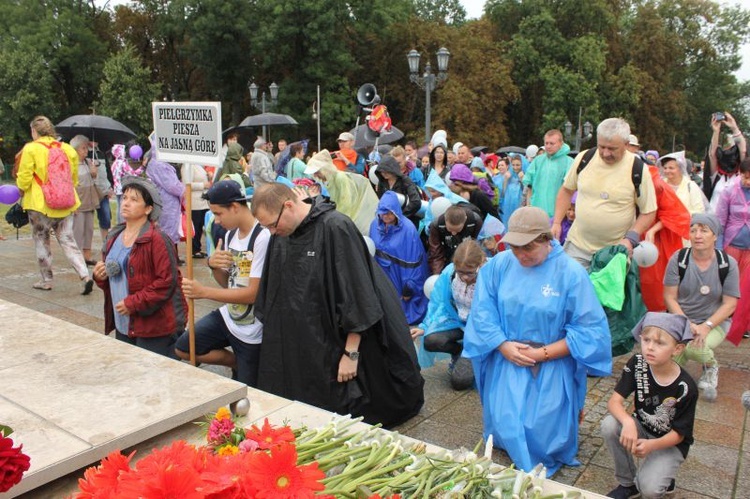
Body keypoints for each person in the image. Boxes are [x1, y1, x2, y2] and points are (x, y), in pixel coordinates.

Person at [251, 183, 425, 428]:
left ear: (288, 206)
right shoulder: (282, 235)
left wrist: (351, 353)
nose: (271, 231)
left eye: (271, 224)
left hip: (339, 341)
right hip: (304, 343)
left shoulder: (335, 227)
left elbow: (358, 295)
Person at [463, 207, 611, 475]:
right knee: (506, 424)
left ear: (547, 239)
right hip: (507, 356)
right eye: (514, 247)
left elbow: (589, 331)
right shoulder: (499, 265)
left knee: (545, 439)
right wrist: (502, 345)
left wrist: (541, 353)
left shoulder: (570, 273)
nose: (520, 255)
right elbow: (483, 311)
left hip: (550, 363)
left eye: (528, 247)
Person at [175, 180, 270, 386]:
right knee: (184, 346)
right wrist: (213, 265)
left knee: (248, 395)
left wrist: (203, 292)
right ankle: (236, 362)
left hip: (253, 329)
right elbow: (227, 284)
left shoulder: (263, 236)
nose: (216, 221)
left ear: (234, 207)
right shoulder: (230, 235)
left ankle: (245, 366)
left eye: (218, 214)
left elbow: (252, 294)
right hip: (230, 315)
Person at [601, 312, 697, 499]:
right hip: (642, 426)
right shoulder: (638, 363)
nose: (650, 348)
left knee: (650, 490)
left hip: (669, 442)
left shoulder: (685, 387)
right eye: (646, 340)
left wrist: (652, 445)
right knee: (609, 425)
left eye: (660, 343)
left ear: (677, 349)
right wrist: (628, 422)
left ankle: (663, 476)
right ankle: (628, 484)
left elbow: (679, 434)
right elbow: (614, 401)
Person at [93, 176, 187, 357]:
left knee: (153, 377)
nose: (126, 203)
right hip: (124, 323)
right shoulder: (114, 235)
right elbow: (114, 277)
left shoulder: (157, 239)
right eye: (125, 197)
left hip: (153, 328)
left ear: (148, 209)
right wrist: (100, 276)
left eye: (134, 200)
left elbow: (167, 282)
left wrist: (132, 303)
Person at [553, 118, 657, 270]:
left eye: (612, 148)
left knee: (604, 295)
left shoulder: (638, 169)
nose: (605, 153)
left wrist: (630, 238)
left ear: (627, 145)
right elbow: (567, 190)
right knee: (571, 291)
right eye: (601, 147)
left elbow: (649, 211)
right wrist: (556, 222)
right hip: (577, 247)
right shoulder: (584, 158)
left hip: (613, 253)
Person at [16, 116, 94, 294]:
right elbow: (73, 178)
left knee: (42, 240)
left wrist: (21, 189)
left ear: (34, 131)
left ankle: (47, 280)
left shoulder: (31, 149)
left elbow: (25, 177)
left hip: (39, 203)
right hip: (65, 202)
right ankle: (85, 275)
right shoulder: (67, 149)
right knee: (68, 240)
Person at [664, 213, 740, 396]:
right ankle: (673, 368)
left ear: (715, 236)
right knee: (666, 362)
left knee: (693, 348)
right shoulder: (679, 259)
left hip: (714, 322)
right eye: (693, 230)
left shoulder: (727, 264)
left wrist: (706, 326)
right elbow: (669, 297)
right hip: (680, 319)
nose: (697, 235)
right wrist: (686, 323)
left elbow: (730, 304)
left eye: (704, 230)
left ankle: (711, 366)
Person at [411, 239, 486, 391]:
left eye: (470, 273)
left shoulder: (490, 276)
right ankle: (458, 351)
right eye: (461, 272)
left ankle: (479, 358)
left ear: (480, 264)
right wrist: (425, 326)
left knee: (460, 382)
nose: (464, 277)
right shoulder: (450, 273)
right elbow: (437, 302)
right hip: (457, 322)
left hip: (480, 331)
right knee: (431, 340)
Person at [369, 191, 429, 327]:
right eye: (382, 212)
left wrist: (409, 289)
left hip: (402, 280)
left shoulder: (408, 230)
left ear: (396, 211)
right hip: (383, 279)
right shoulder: (374, 225)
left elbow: (414, 263)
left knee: (399, 317)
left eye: (389, 212)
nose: (385, 216)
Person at [639, 156, 691, 312]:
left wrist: (653, 229)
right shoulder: (639, 180)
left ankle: (660, 314)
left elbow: (677, 213)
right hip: (641, 234)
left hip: (659, 240)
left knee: (657, 279)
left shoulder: (657, 185)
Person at [304, 150, 379, 234]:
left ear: (324, 169)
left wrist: (337, 223)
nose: (315, 175)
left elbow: (346, 204)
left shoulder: (340, 178)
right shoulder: (328, 181)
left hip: (350, 221)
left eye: (317, 172)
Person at [716, 158, 750, 341]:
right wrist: (719, 249)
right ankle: (723, 320)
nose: (748, 181)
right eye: (745, 177)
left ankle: (742, 325)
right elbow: (720, 221)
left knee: (747, 288)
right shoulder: (729, 190)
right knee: (729, 285)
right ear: (740, 173)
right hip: (732, 244)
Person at [522, 129, 573, 217]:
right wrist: (528, 207)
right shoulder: (538, 161)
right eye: (546, 143)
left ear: (561, 144)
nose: (548, 146)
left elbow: (570, 190)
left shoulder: (569, 162)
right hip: (536, 212)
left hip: (559, 214)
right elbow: (529, 186)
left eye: (552, 143)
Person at [145, 150, 185, 250]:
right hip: (167, 205)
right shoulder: (160, 165)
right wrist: (184, 189)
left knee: (166, 233)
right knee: (167, 235)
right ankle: (169, 260)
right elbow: (172, 186)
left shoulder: (156, 163)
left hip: (165, 203)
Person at [427, 204, 483, 275]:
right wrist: (437, 275)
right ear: (445, 219)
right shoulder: (436, 225)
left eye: (458, 230)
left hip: (469, 259)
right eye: (450, 229)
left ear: (465, 220)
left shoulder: (476, 221)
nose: (453, 233)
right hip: (446, 257)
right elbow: (435, 253)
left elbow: (480, 247)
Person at [706, 112, 745, 212]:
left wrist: (734, 127)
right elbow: (712, 154)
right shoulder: (717, 176)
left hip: (734, 222)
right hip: (714, 220)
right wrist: (716, 131)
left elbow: (743, 150)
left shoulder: (741, 176)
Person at [70, 135, 99, 266]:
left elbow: (93, 180)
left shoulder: (88, 162)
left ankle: (87, 256)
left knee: (89, 231)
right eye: (83, 148)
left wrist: (94, 173)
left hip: (90, 202)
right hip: (78, 204)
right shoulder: (71, 164)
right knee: (78, 231)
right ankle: (76, 258)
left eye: (86, 148)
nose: (86, 151)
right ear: (75, 149)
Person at [374, 155, 422, 228]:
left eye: (386, 171)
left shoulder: (405, 181)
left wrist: (400, 215)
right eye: (381, 171)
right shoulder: (382, 183)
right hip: (388, 221)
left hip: (407, 220)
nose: (384, 173)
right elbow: (381, 201)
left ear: (392, 169)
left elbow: (416, 202)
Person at [181, 163, 211, 258]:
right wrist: (203, 185)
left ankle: (198, 248)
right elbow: (187, 184)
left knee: (200, 227)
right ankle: (194, 250)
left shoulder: (199, 165)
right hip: (194, 203)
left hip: (203, 202)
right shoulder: (187, 165)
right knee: (195, 227)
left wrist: (209, 177)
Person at [497, 154, 525, 227]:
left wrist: (522, 180)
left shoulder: (525, 174)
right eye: (513, 165)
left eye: (518, 165)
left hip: (521, 203)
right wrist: (506, 180)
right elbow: (502, 192)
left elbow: (527, 190)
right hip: (508, 204)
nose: (515, 167)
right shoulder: (508, 175)